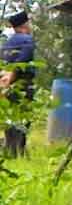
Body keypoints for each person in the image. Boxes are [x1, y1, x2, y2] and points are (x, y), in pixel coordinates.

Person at [0, 11, 36, 158]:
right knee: (23, 117)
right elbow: (20, 64)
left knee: (10, 117)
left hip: (6, 85)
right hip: (22, 84)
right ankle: (18, 150)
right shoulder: (27, 40)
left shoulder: (6, 43)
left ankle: (10, 149)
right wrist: (11, 78)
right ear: (25, 24)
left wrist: (5, 83)